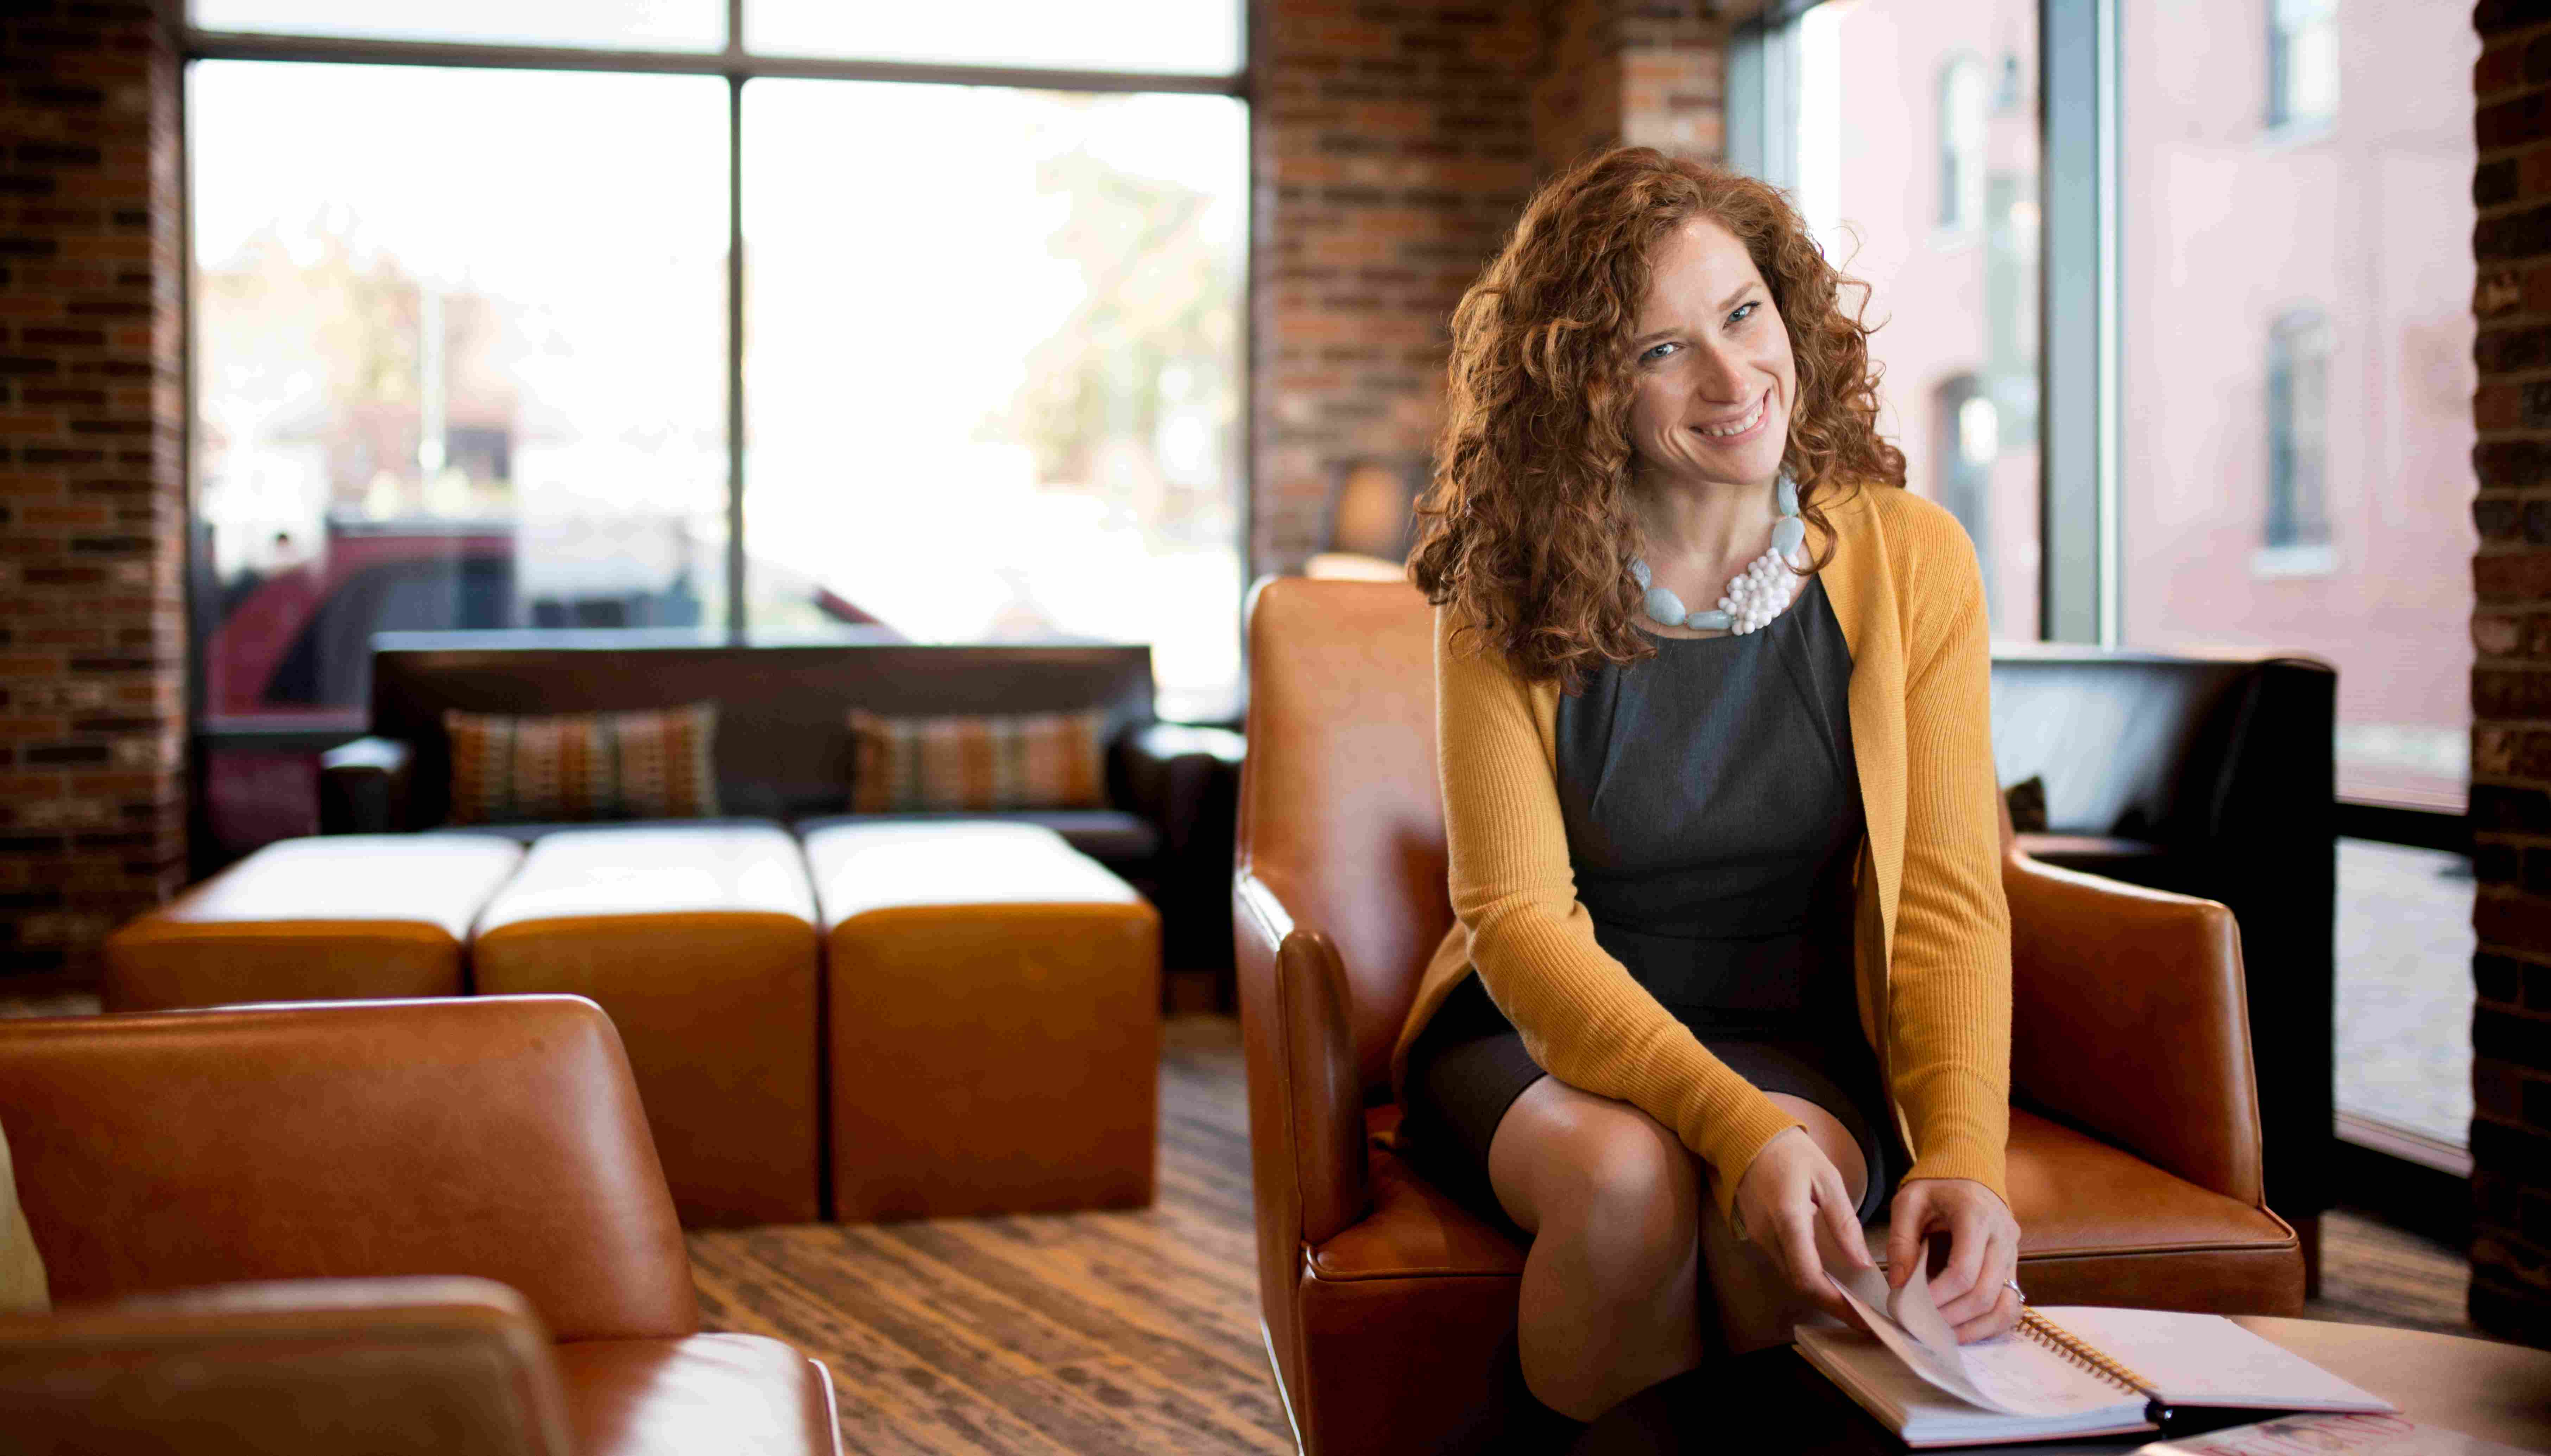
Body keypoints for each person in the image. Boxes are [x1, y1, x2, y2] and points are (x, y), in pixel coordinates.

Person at [1396, 146, 2020, 1435]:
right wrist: (1728, 1126)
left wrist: (1962, 1157)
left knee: (1781, 1223)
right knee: (1626, 1184)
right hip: (1533, 1029)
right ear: (1582, 389)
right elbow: (1516, 921)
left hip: (1794, 1028)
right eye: (1656, 350)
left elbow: (1952, 896)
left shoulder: (1913, 560)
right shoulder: (1500, 585)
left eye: (1742, 315)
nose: (1733, 380)